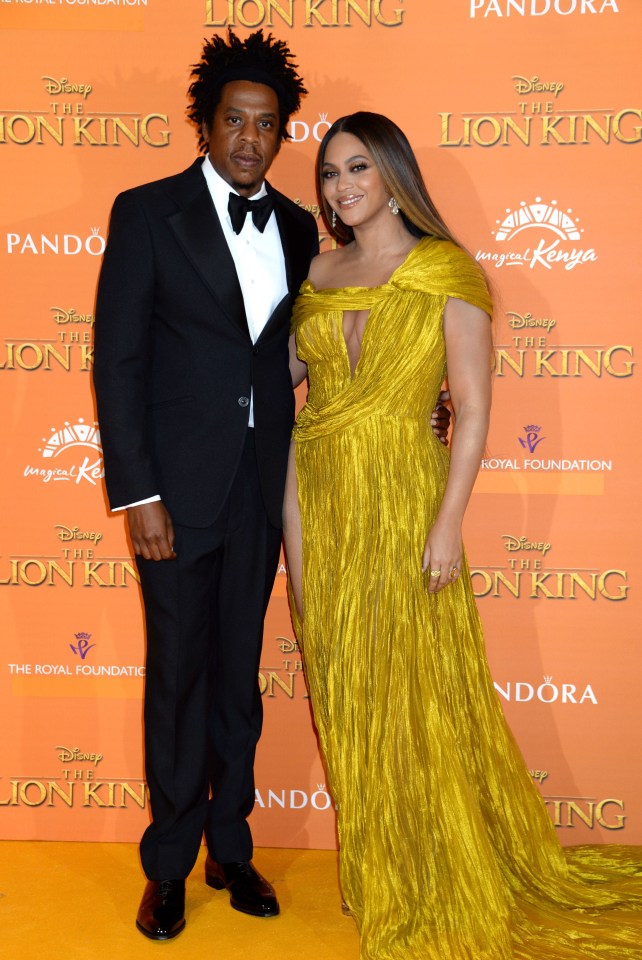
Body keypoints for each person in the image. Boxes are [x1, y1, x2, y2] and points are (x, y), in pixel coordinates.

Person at [283, 112, 642, 959]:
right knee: (349, 695)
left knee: (419, 695)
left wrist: (448, 524)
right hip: (319, 499)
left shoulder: (447, 270)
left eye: (358, 169)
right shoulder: (317, 270)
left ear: (394, 174)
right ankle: (383, 873)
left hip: (407, 500)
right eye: (330, 174)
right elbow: (282, 393)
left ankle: (440, 870)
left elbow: (474, 412)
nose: (341, 188)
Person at [93, 30, 319, 940]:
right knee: (179, 681)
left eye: (268, 125)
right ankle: (171, 862)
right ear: (204, 125)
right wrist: (137, 493)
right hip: (175, 500)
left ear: (282, 135)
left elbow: (323, 351)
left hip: (260, 493)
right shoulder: (147, 212)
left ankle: (233, 843)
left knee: (238, 681)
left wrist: (418, 405)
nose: (251, 138)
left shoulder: (302, 228)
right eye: (235, 119)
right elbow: (119, 362)